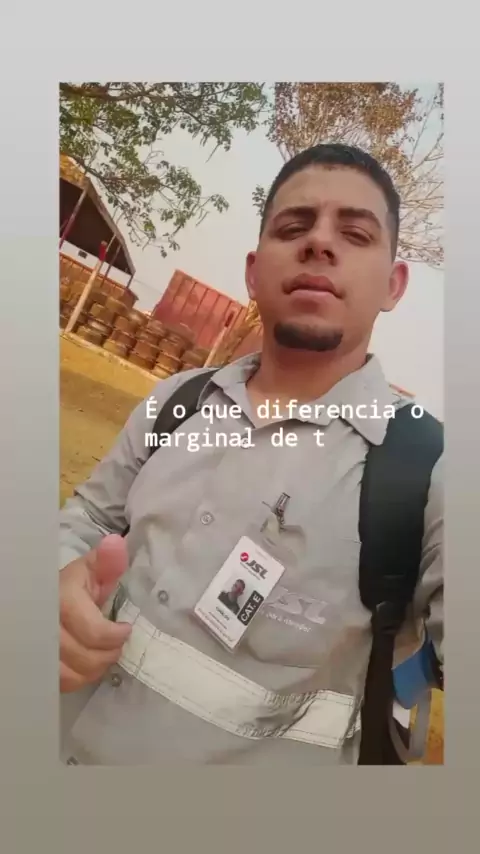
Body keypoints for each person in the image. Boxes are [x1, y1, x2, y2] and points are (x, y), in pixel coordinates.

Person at [59, 143, 443, 766]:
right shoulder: (177, 400)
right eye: (293, 227)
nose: (319, 243)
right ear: (253, 271)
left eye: (355, 233)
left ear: (393, 286)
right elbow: (89, 517)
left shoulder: (429, 472)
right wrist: (58, 577)